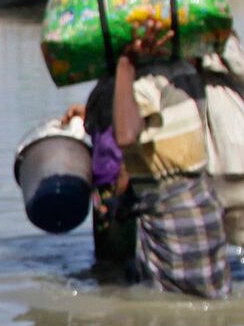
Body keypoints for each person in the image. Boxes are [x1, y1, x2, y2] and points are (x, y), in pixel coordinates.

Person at [62, 18, 230, 298]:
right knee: (211, 303)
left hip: (172, 219)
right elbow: (154, 144)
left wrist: (126, 65)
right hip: (204, 208)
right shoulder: (185, 72)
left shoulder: (144, 83)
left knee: (172, 316)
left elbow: (127, 136)